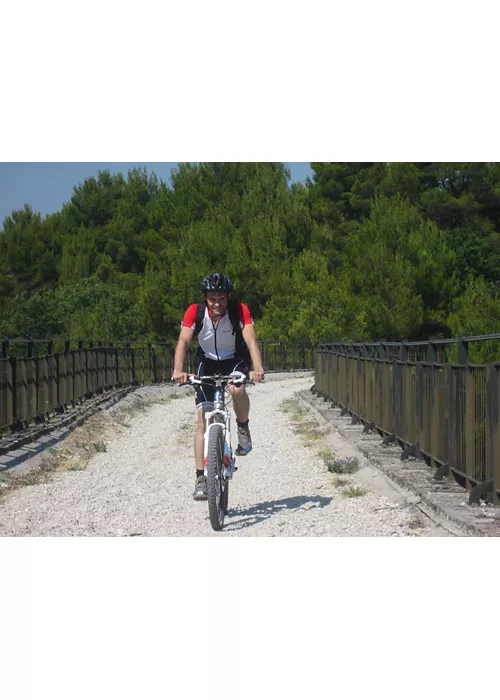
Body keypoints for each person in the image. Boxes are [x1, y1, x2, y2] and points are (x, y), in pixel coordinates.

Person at [172, 273, 265, 500]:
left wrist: (258, 369)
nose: (217, 303)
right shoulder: (194, 311)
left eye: (221, 298)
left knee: (236, 388)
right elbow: (184, 340)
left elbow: (251, 340)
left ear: (227, 297)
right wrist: (178, 370)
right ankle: (200, 478)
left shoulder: (239, 310)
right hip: (207, 362)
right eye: (212, 298)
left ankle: (243, 427)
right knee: (203, 419)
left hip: (234, 359)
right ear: (205, 298)